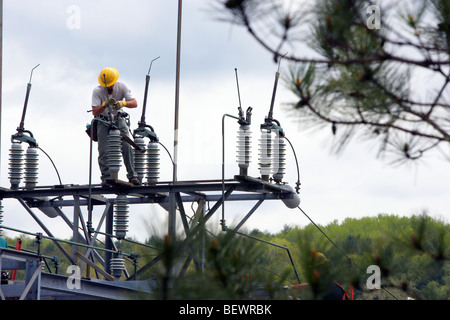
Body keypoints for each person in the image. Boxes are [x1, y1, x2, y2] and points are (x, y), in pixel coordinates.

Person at [91, 67, 141, 186]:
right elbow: (94, 111)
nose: (109, 88)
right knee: (103, 150)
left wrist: (123, 103)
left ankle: (132, 175)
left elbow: (134, 103)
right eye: (106, 86)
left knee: (126, 146)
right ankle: (106, 177)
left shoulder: (121, 86)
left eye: (111, 85)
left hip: (118, 118)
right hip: (103, 121)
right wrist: (104, 105)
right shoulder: (97, 91)